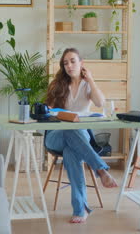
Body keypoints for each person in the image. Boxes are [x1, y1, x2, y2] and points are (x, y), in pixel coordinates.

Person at [45, 48, 118, 224]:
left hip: (79, 138)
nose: (69, 66)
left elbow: (100, 103)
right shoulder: (58, 85)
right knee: (71, 130)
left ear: (81, 63)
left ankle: (80, 209)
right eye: (65, 63)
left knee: (72, 152)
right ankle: (100, 169)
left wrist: (90, 80)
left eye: (72, 61)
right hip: (56, 135)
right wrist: (57, 113)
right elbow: (47, 111)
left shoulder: (87, 85)